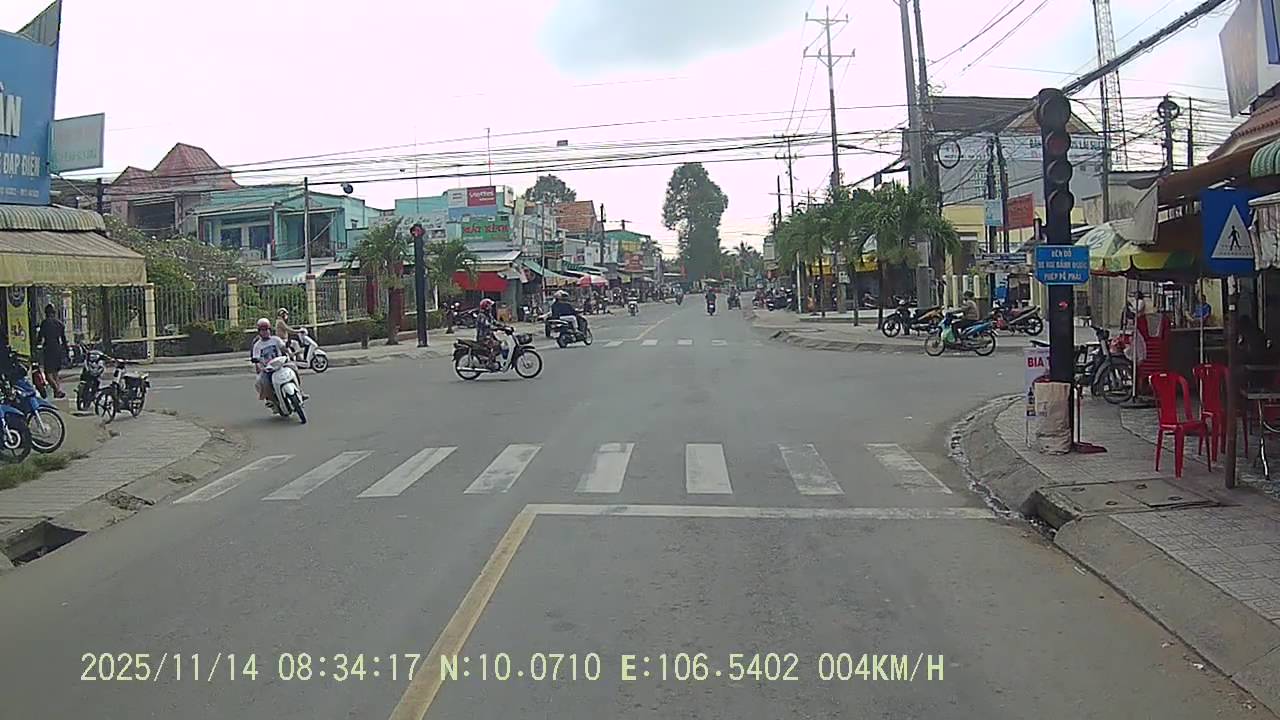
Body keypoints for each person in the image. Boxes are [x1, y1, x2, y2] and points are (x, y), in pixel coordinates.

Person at [251, 318, 305, 404]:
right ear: (259, 332)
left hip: (281, 364)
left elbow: (284, 348)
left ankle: (299, 391)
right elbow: (256, 359)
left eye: (267, 329)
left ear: (270, 330)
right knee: (263, 382)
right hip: (268, 368)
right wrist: (259, 366)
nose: (265, 332)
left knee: (294, 368)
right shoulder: (257, 345)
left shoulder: (276, 339)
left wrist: (289, 353)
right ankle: (271, 400)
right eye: (262, 330)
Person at [35, 304, 68, 398]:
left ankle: (57, 390)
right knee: (55, 373)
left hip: (48, 349)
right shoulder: (60, 324)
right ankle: (57, 392)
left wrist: (36, 345)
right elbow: (64, 339)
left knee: (48, 374)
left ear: (46, 313)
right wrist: (66, 350)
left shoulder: (44, 323)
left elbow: (40, 338)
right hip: (57, 348)